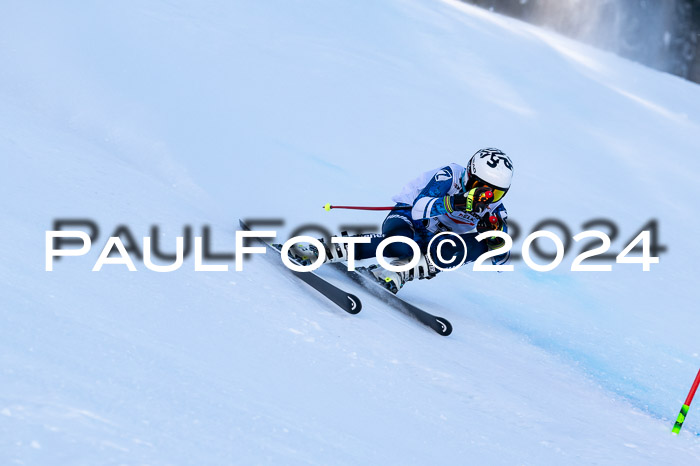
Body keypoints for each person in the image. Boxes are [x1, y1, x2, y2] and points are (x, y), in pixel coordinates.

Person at [290, 148, 513, 293]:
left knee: (477, 244)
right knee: (399, 245)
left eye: (497, 193)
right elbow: (419, 209)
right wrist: (455, 202)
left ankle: (398, 271)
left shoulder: (494, 208)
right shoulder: (449, 176)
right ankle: (322, 249)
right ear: (469, 176)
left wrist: (495, 238)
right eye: (482, 190)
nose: (488, 198)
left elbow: (502, 262)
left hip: (435, 242)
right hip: (408, 220)